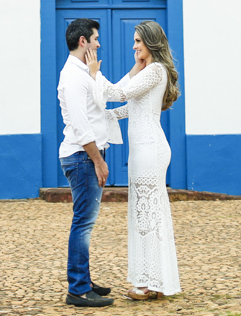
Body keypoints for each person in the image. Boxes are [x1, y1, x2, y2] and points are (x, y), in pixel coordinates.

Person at [88, 19, 182, 300]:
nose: (134, 45)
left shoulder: (156, 70)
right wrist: (105, 117)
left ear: (151, 43)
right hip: (144, 148)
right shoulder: (148, 70)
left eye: (138, 41)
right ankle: (151, 281)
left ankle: (151, 283)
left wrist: (95, 73)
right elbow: (129, 105)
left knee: (148, 217)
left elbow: (118, 93)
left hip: (150, 149)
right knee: (144, 216)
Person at [56, 17, 120, 307]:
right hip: (82, 157)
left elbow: (107, 100)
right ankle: (78, 289)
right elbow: (82, 126)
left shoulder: (85, 73)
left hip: (86, 156)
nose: (99, 43)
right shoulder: (72, 77)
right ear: (83, 41)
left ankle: (84, 279)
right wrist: (98, 161)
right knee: (83, 223)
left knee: (85, 222)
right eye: (95, 39)